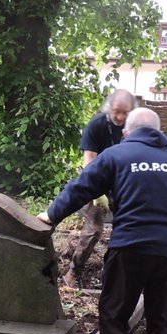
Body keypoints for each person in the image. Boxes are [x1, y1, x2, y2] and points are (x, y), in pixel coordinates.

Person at [39, 107, 167, 334]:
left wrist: (50, 215)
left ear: (126, 132)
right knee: (164, 320)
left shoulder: (115, 155)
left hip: (130, 247)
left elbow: (81, 187)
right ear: (159, 131)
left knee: (116, 313)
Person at [62, 89, 136, 288]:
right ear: (109, 108)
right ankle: (74, 272)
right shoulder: (97, 125)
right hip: (95, 181)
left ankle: (114, 274)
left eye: (125, 113)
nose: (120, 117)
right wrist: (98, 191)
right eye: (116, 111)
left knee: (127, 228)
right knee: (94, 229)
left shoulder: (135, 128)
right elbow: (89, 161)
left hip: (122, 185)